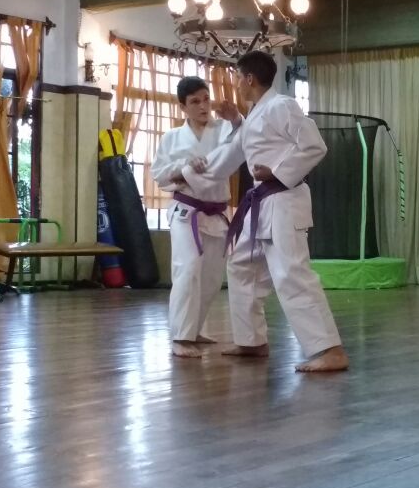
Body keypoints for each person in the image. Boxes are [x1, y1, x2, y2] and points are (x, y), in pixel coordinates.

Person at [178, 51, 349, 373]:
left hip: (284, 200)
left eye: (237, 78)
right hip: (261, 204)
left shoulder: (281, 106)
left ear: (249, 79)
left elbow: (314, 145)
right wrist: (187, 174)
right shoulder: (256, 114)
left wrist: (278, 171)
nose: (235, 84)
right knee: (241, 265)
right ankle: (251, 340)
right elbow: (231, 155)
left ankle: (330, 349)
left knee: (291, 273)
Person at [150, 76, 240, 358]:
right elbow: (159, 175)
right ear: (183, 107)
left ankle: (194, 329)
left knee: (211, 277)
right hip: (186, 212)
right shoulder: (172, 138)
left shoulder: (224, 128)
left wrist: (236, 119)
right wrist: (184, 166)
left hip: (216, 212)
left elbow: (246, 142)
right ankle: (180, 337)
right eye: (195, 102)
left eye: (206, 99)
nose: (203, 106)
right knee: (187, 268)